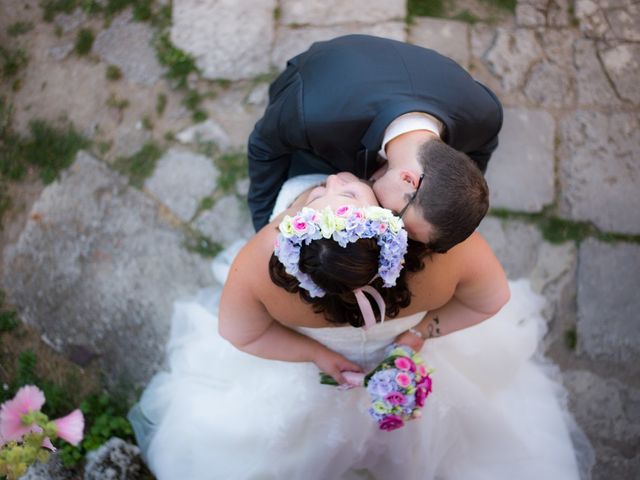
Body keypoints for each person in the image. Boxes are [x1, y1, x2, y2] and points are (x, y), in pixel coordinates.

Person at [128, 173, 592, 479]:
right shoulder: (446, 252)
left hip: (329, 375)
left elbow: (242, 333)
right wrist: (415, 336)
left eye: (327, 192)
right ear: (386, 230)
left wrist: (316, 354)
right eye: (321, 196)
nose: (331, 179)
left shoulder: (260, 262)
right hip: (410, 356)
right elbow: (492, 300)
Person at [248, 34, 503, 251]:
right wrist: (264, 227)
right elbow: (263, 148)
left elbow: (477, 157)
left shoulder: (485, 117)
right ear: (408, 180)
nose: (393, 230)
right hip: (318, 79)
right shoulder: (310, 115)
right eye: (399, 220)